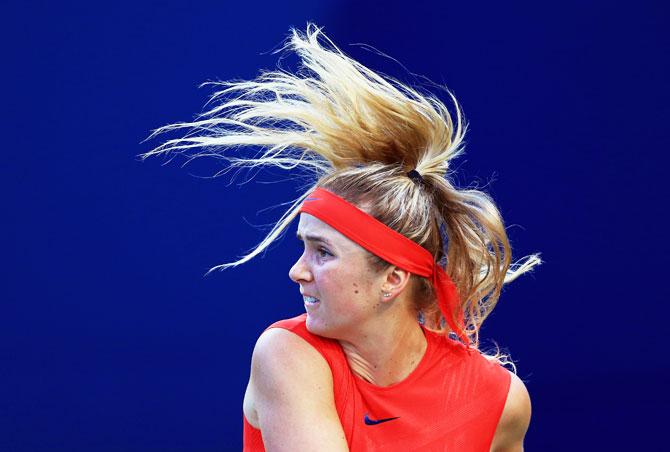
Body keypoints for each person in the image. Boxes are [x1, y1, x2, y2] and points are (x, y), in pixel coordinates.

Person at [142, 24, 542, 452]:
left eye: (323, 252)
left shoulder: (502, 401)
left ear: (392, 279)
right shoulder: (287, 356)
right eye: (304, 247)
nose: (297, 272)